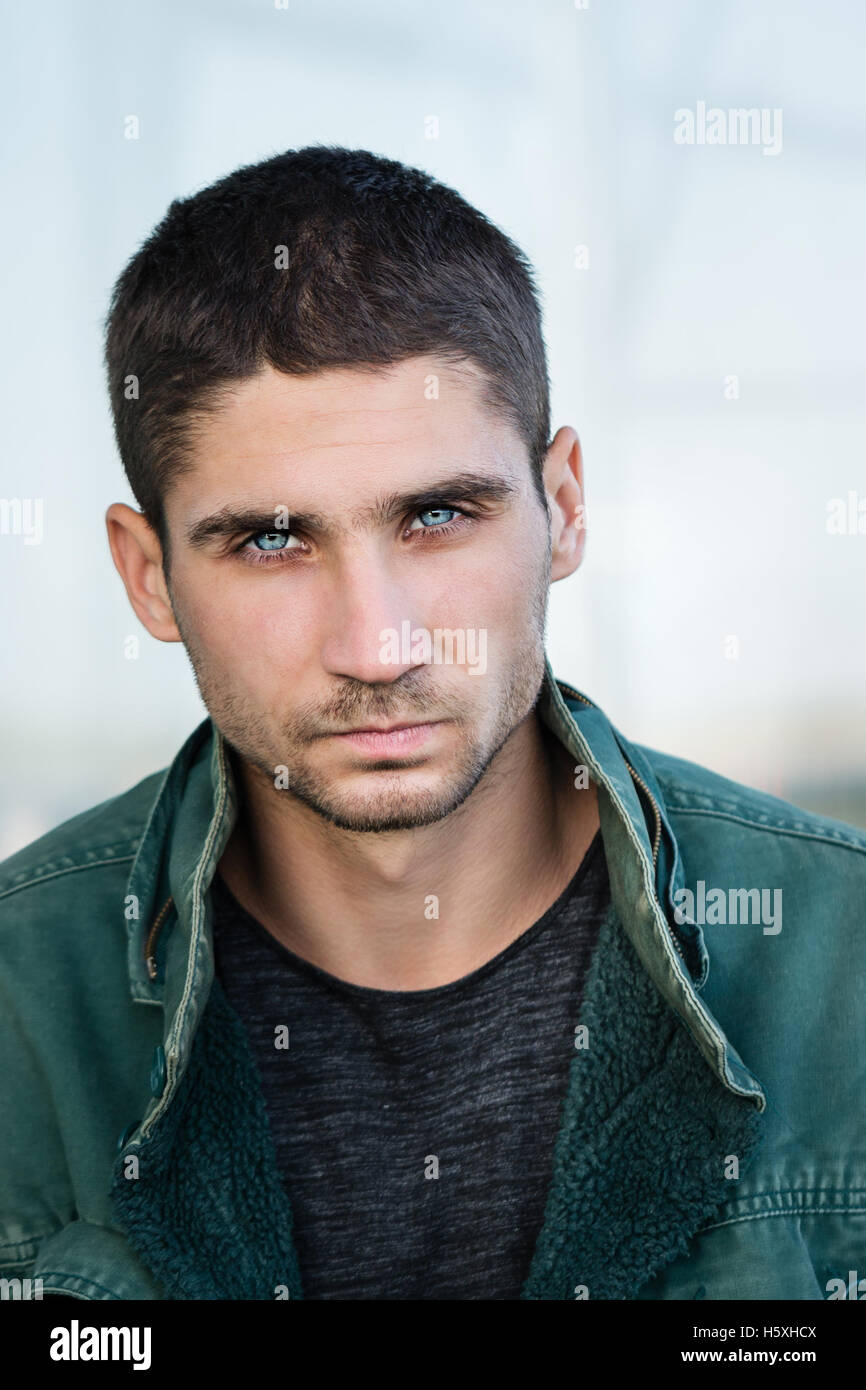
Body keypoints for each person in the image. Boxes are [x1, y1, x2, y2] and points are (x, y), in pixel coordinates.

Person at [1, 146, 864, 1302]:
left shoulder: (843, 959)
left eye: (437, 515)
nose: (378, 646)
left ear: (561, 510)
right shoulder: (19, 1007)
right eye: (270, 539)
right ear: (147, 575)